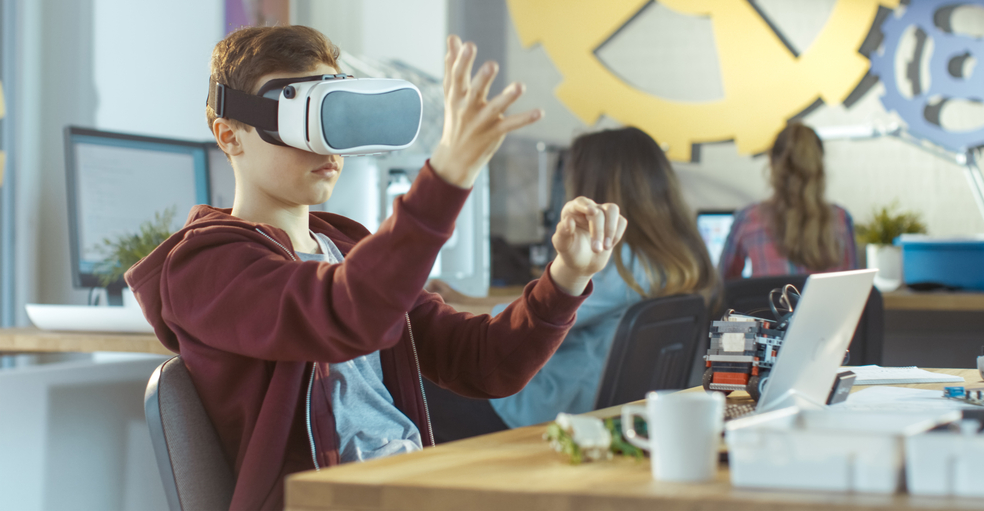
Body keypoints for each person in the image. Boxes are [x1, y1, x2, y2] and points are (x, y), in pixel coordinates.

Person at [124, 25, 628, 511]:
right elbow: (343, 313)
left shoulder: (347, 247)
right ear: (230, 136)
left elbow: (483, 363)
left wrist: (568, 277)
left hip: (406, 483)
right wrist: (448, 174)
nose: (324, 145)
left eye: (333, 116)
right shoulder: (205, 266)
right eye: (299, 120)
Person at [427, 127, 720, 434]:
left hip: (550, 404)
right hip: (608, 403)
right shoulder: (676, 258)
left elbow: (534, 315)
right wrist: (463, 300)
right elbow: (547, 301)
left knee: (424, 372)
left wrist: (435, 305)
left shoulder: (619, 262)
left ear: (593, 186)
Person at [720, 122, 858, 279]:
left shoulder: (748, 219)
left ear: (772, 163)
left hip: (771, 296)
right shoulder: (840, 219)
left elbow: (723, 285)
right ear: (819, 164)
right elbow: (854, 286)